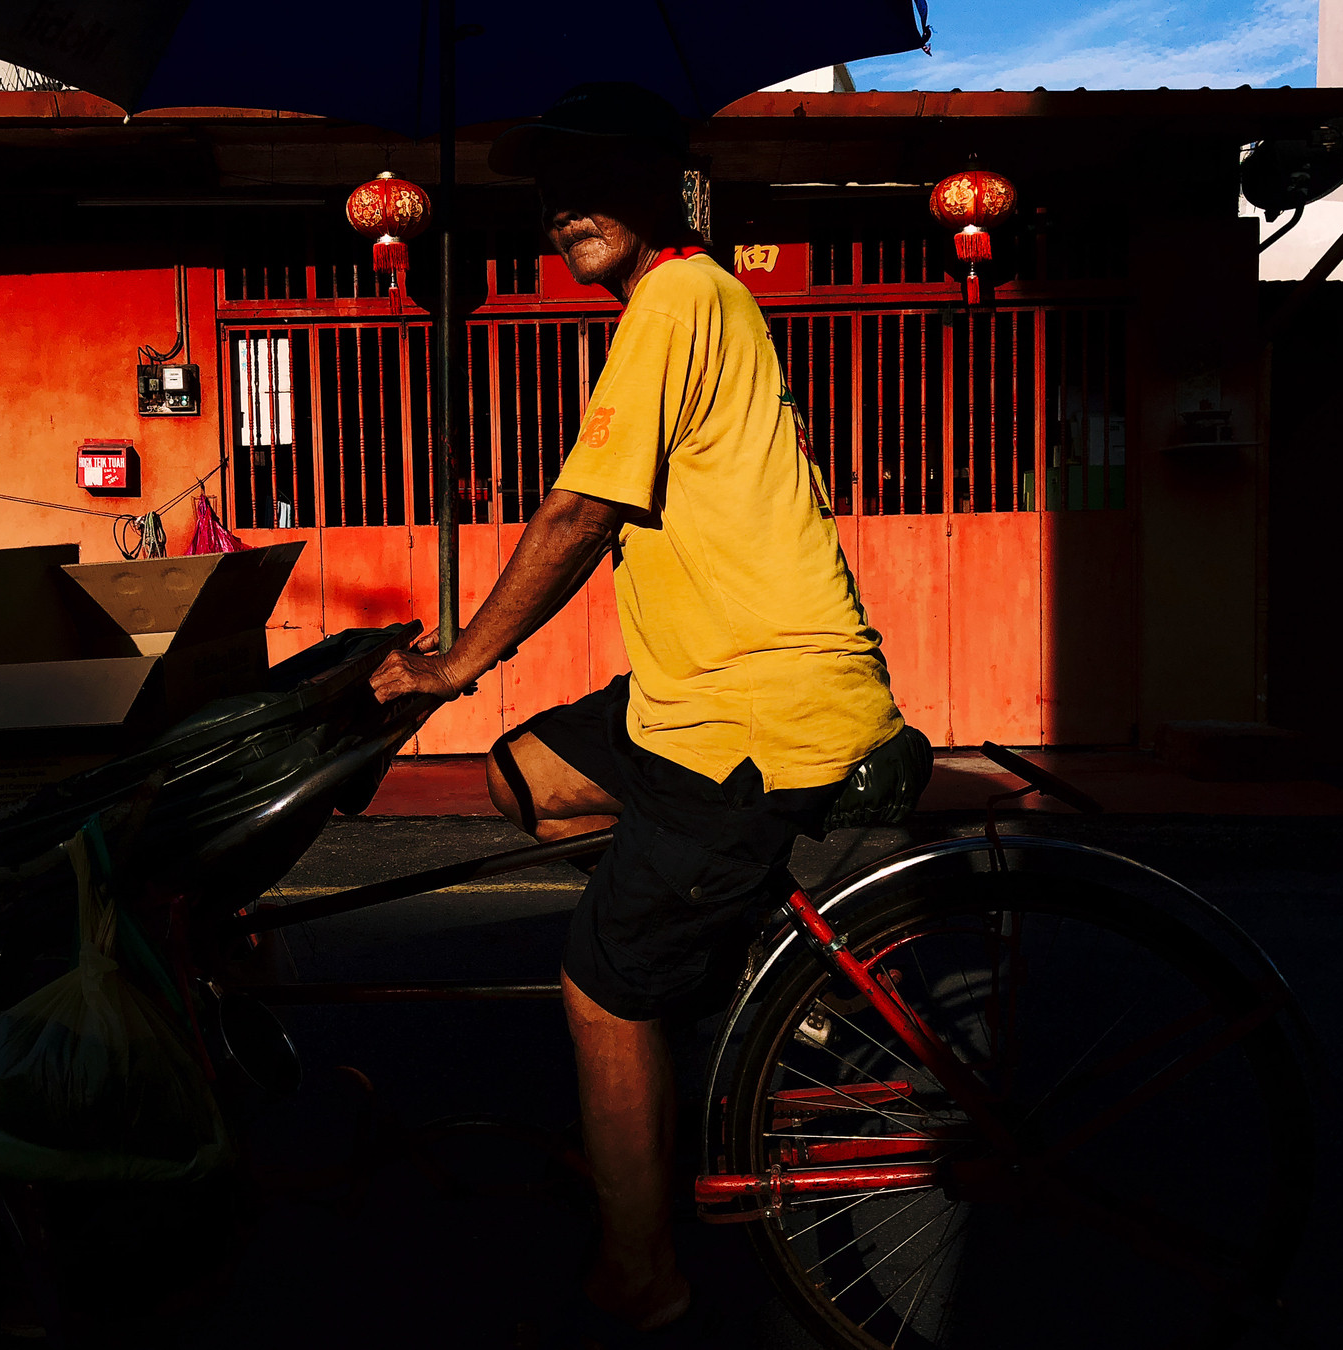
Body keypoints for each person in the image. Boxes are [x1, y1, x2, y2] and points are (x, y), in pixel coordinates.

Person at [369, 83, 930, 1342]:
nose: (563, 209)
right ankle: (706, 951)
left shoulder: (679, 292)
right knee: (525, 777)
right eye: (546, 192)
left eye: (591, 181)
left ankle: (643, 1268)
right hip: (684, 693)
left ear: (663, 188)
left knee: (600, 987)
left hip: (747, 713)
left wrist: (457, 662)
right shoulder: (686, 307)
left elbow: (579, 515)